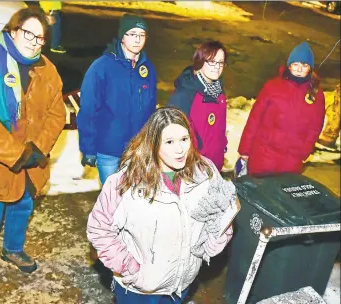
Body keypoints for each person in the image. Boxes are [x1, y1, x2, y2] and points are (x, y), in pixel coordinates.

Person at [87, 107, 237, 304]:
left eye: (184, 139)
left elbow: (221, 215)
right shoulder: (126, 183)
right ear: (153, 143)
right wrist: (129, 267)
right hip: (139, 289)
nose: (180, 149)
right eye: (169, 142)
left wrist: (216, 240)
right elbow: (99, 229)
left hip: (180, 285)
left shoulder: (205, 172)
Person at [0, 7, 66, 288]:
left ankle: (12, 249)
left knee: (23, 204)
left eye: (40, 37)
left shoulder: (47, 68)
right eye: (28, 33)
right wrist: (14, 153)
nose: (34, 41)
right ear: (12, 30)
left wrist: (39, 147)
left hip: (32, 156)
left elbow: (57, 113)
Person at [77, 13, 157, 185]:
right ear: (122, 36)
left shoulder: (147, 68)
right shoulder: (102, 67)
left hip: (138, 150)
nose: (137, 40)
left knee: (134, 200)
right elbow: (88, 110)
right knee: (112, 200)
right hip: (108, 150)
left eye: (142, 35)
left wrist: (151, 142)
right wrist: (88, 149)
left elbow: (151, 109)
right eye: (132, 34)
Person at [238, 41, 325, 175]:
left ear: (310, 68)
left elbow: (315, 127)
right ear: (289, 66)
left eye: (304, 65)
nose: (299, 69)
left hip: (291, 162)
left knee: (284, 195)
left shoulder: (316, 94)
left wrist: (304, 151)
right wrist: (245, 150)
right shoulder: (272, 87)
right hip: (263, 156)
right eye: (295, 64)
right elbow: (255, 119)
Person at [168, 41, 228, 172]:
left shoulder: (219, 93)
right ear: (200, 61)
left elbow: (220, 128)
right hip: (191, 168)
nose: (217, 67)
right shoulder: (185, 94)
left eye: (221, 62)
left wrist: (222, 147)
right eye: (211, 61)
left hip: (214, 167)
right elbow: (171, 133)